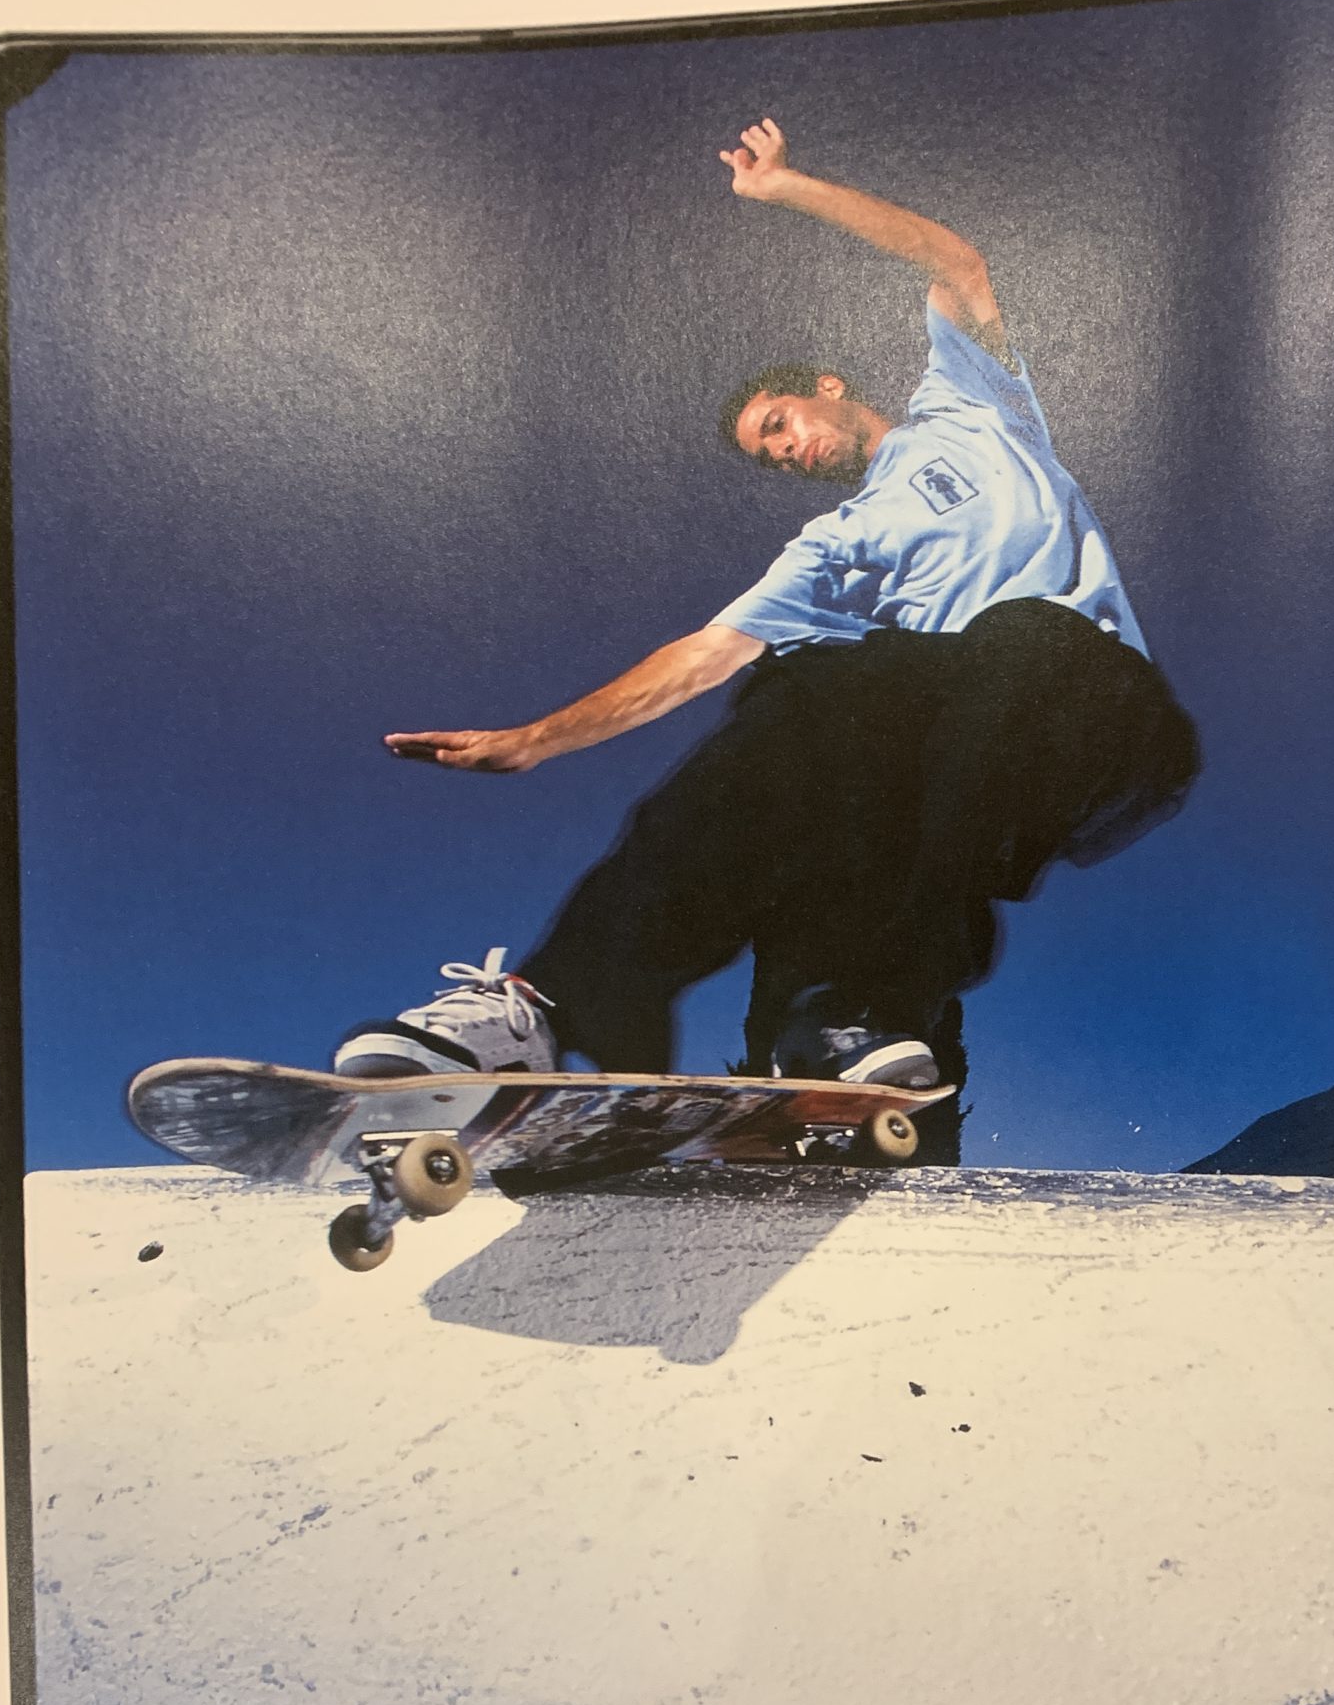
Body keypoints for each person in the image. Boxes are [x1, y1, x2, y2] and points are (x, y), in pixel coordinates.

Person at [334, 119, 1200, 1118]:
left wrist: (786, 187)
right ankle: (599, 1009)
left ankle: (874, 997)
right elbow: (706, 654)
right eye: (766, 453)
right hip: (958, 745)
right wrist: (536, 740)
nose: (783, 450)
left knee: (1013, 644)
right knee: (805, 700)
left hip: (1102, 718)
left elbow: (955, 261)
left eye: (780, 423)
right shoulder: (833, 546)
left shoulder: (970, 406)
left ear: (828, 388)